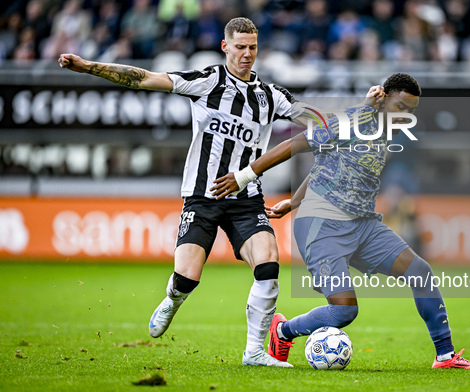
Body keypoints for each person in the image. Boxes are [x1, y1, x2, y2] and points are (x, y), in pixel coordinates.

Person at [58, 17, 317, 368]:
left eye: (252, 47)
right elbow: (145, 78)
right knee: (186, 279)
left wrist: (368, 108)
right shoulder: (208, 81)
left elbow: (319, 120)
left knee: (269, 266)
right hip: (202, 195)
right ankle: (173, 299)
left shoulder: (269, 96)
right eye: (239, 47)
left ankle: (254, 352)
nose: (246, 55)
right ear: (225, 47)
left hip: (246, 198)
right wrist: (90, 67)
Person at [211, 73, 470, 369]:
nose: (406, 116)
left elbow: (325, 163)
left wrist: (293, 202)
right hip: (322, 226)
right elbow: (296, 143)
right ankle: (283, 331)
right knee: (344, 312)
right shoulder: (352, 120)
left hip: (363, 225)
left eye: (412, 111)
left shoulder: (388, 131)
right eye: (402, 107)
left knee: (420, 271)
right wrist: (244, 176)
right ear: (384, 100)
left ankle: (445, 357)